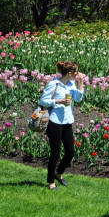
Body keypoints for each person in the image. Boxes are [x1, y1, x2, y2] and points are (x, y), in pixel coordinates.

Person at [38, 61, 85, 190]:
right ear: (69, 73)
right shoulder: (54, 84)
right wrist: (59, 101)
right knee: (55, 153)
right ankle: (51, 182)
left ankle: (59, 173)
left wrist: (81, 84)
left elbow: (78, 98)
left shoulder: (71, 84)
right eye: (76, 72)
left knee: (70, 152)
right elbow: (43, 101)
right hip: (54, 122)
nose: (77, 74)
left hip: (67, 121)